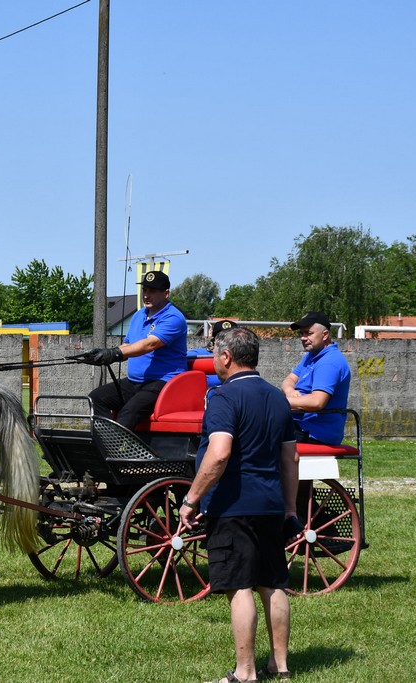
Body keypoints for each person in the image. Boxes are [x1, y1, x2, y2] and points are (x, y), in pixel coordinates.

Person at [179, 326, 299, 683]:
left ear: (227, 357)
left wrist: (191, 499)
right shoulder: (279, 398)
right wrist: (290, 507)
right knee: (273, 583)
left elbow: (219, 455)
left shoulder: (223, 398)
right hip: (270, 504)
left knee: (240, 586)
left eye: (215, 353)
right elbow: (289, 459)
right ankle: (280, 665)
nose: (214, 359)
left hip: (233, 505)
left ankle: (245, 673)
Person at [77, 270, 188, 430]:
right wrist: (106, 353)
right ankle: (101, 444)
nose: (146, 295)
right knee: (96, 398)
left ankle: (113, 450)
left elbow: (150, 344)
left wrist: (116, 353)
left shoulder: (173, 318)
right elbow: (127, 345)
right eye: (145, 290)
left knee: (128, 412)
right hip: (135, 382)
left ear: (166, 293)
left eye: (153, 291)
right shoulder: (138, 316)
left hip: (162, 383)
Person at [281, 311, 351, 445]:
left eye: (308, 333)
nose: (303, 338)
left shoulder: (329, 362)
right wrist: (290, 391)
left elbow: (317, 402)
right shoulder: (311, 356)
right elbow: (289, 380)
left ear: (325, 335)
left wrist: (279, 402)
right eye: (302, 333)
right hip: (301, 425)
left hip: (316, 432)